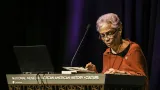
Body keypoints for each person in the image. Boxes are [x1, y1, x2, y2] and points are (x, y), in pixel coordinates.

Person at [85, 13, 148, 90]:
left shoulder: (133, 49)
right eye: (103, 35)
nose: (106, 39)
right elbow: (107, 81)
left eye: (109, 33)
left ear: (120, 29)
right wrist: (95, 74)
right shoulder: (106, 53)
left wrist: (120, 74)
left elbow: (141, 79)